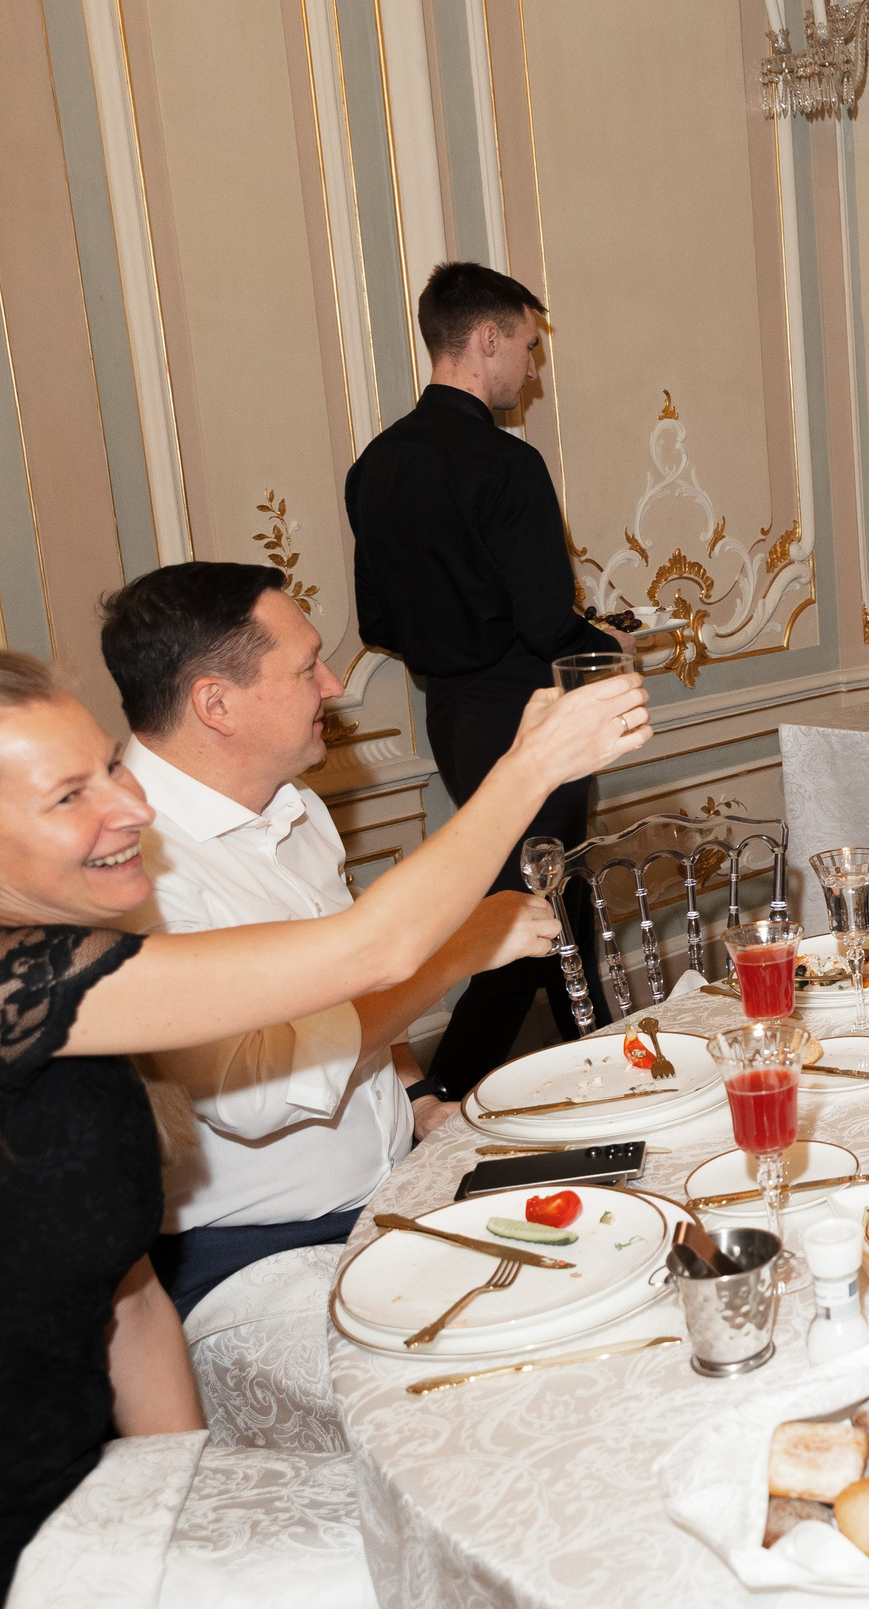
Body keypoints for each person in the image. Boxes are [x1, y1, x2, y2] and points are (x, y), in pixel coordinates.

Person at [0, 647, 644, 1591]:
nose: (130, 805)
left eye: (109, 767)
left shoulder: (81, 958)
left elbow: (128, 1296)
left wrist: (187, 1495)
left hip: (97, 1481)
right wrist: (531, 765)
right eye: (70, 795)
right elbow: (371, 952)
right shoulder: (28, 986)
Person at [97, 563, 560, 1317]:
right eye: (306, 666)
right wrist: (455, 954)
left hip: (390, 1192)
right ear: (216, 704)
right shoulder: (132, 865)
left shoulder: (293, 805)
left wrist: (417, 1096)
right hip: (254, 1255)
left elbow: (354, 993)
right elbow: (260, 1093)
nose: (336, 684)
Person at [344, 260, 628, 1101]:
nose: (533, 370)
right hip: (531, 712)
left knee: (549, 897)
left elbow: (377, 622)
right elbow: (546, 626)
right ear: (487, 338)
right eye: (529, 348)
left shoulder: (374, 466)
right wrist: (609, 643)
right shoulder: (508, 464)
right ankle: (441, 1092)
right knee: (536, 906)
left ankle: (607, 1059)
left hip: (453, 716)